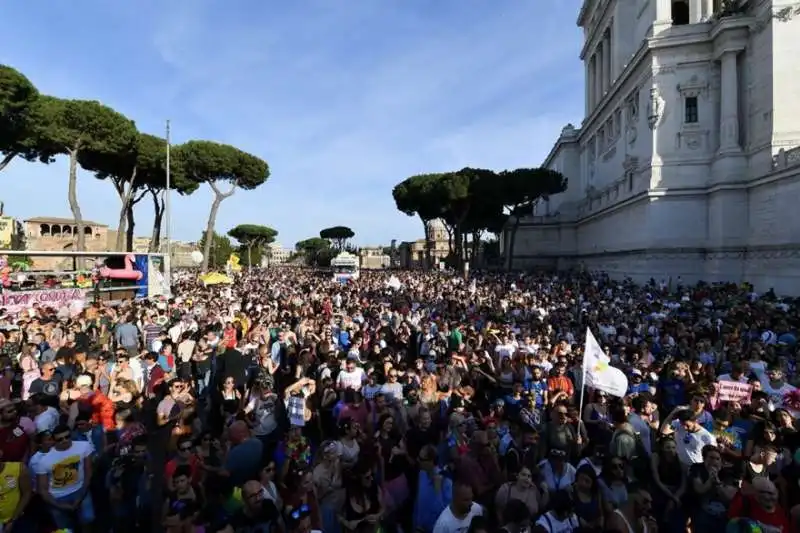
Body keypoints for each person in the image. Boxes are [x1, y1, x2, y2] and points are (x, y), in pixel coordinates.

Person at [33, 423, 95, 530]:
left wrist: (80, 496)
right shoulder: (43, 461)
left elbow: (88, 473)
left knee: (88, 521)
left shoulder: (84, 446)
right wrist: (59, 505)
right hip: (57, 497)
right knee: (65, 528)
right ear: (54, 441)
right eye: (60, 439)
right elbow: (42, 490)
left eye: (67, 437)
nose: (65, 440)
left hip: (80, 490)